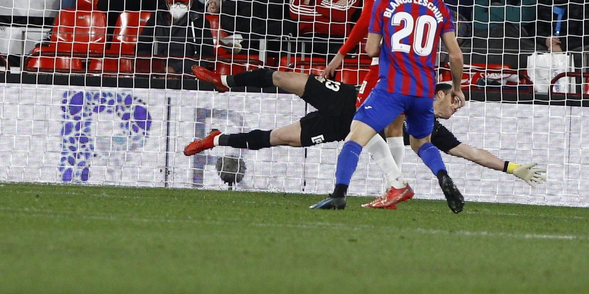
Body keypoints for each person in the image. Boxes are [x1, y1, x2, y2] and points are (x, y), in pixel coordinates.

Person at [185, 69, 546, 201]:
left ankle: (215, 139)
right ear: (439, 92)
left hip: (341, 127)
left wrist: (512, 168)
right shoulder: (412, 90)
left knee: (278, 138)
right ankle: (224, 80)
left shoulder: (429, 128)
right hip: (345, 98)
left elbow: (469, 152)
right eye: (455, 99)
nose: (456, 106)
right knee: (281, 78)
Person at [309, 0, 467, 213]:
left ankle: (339, 193)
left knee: (355, 135)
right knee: (421, 143)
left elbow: (371, 49)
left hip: (392, 87)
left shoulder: (385, 0)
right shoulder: (439, 7)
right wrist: (457, 87)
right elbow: (456, 55)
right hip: (423, 90)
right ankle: (443, 177)